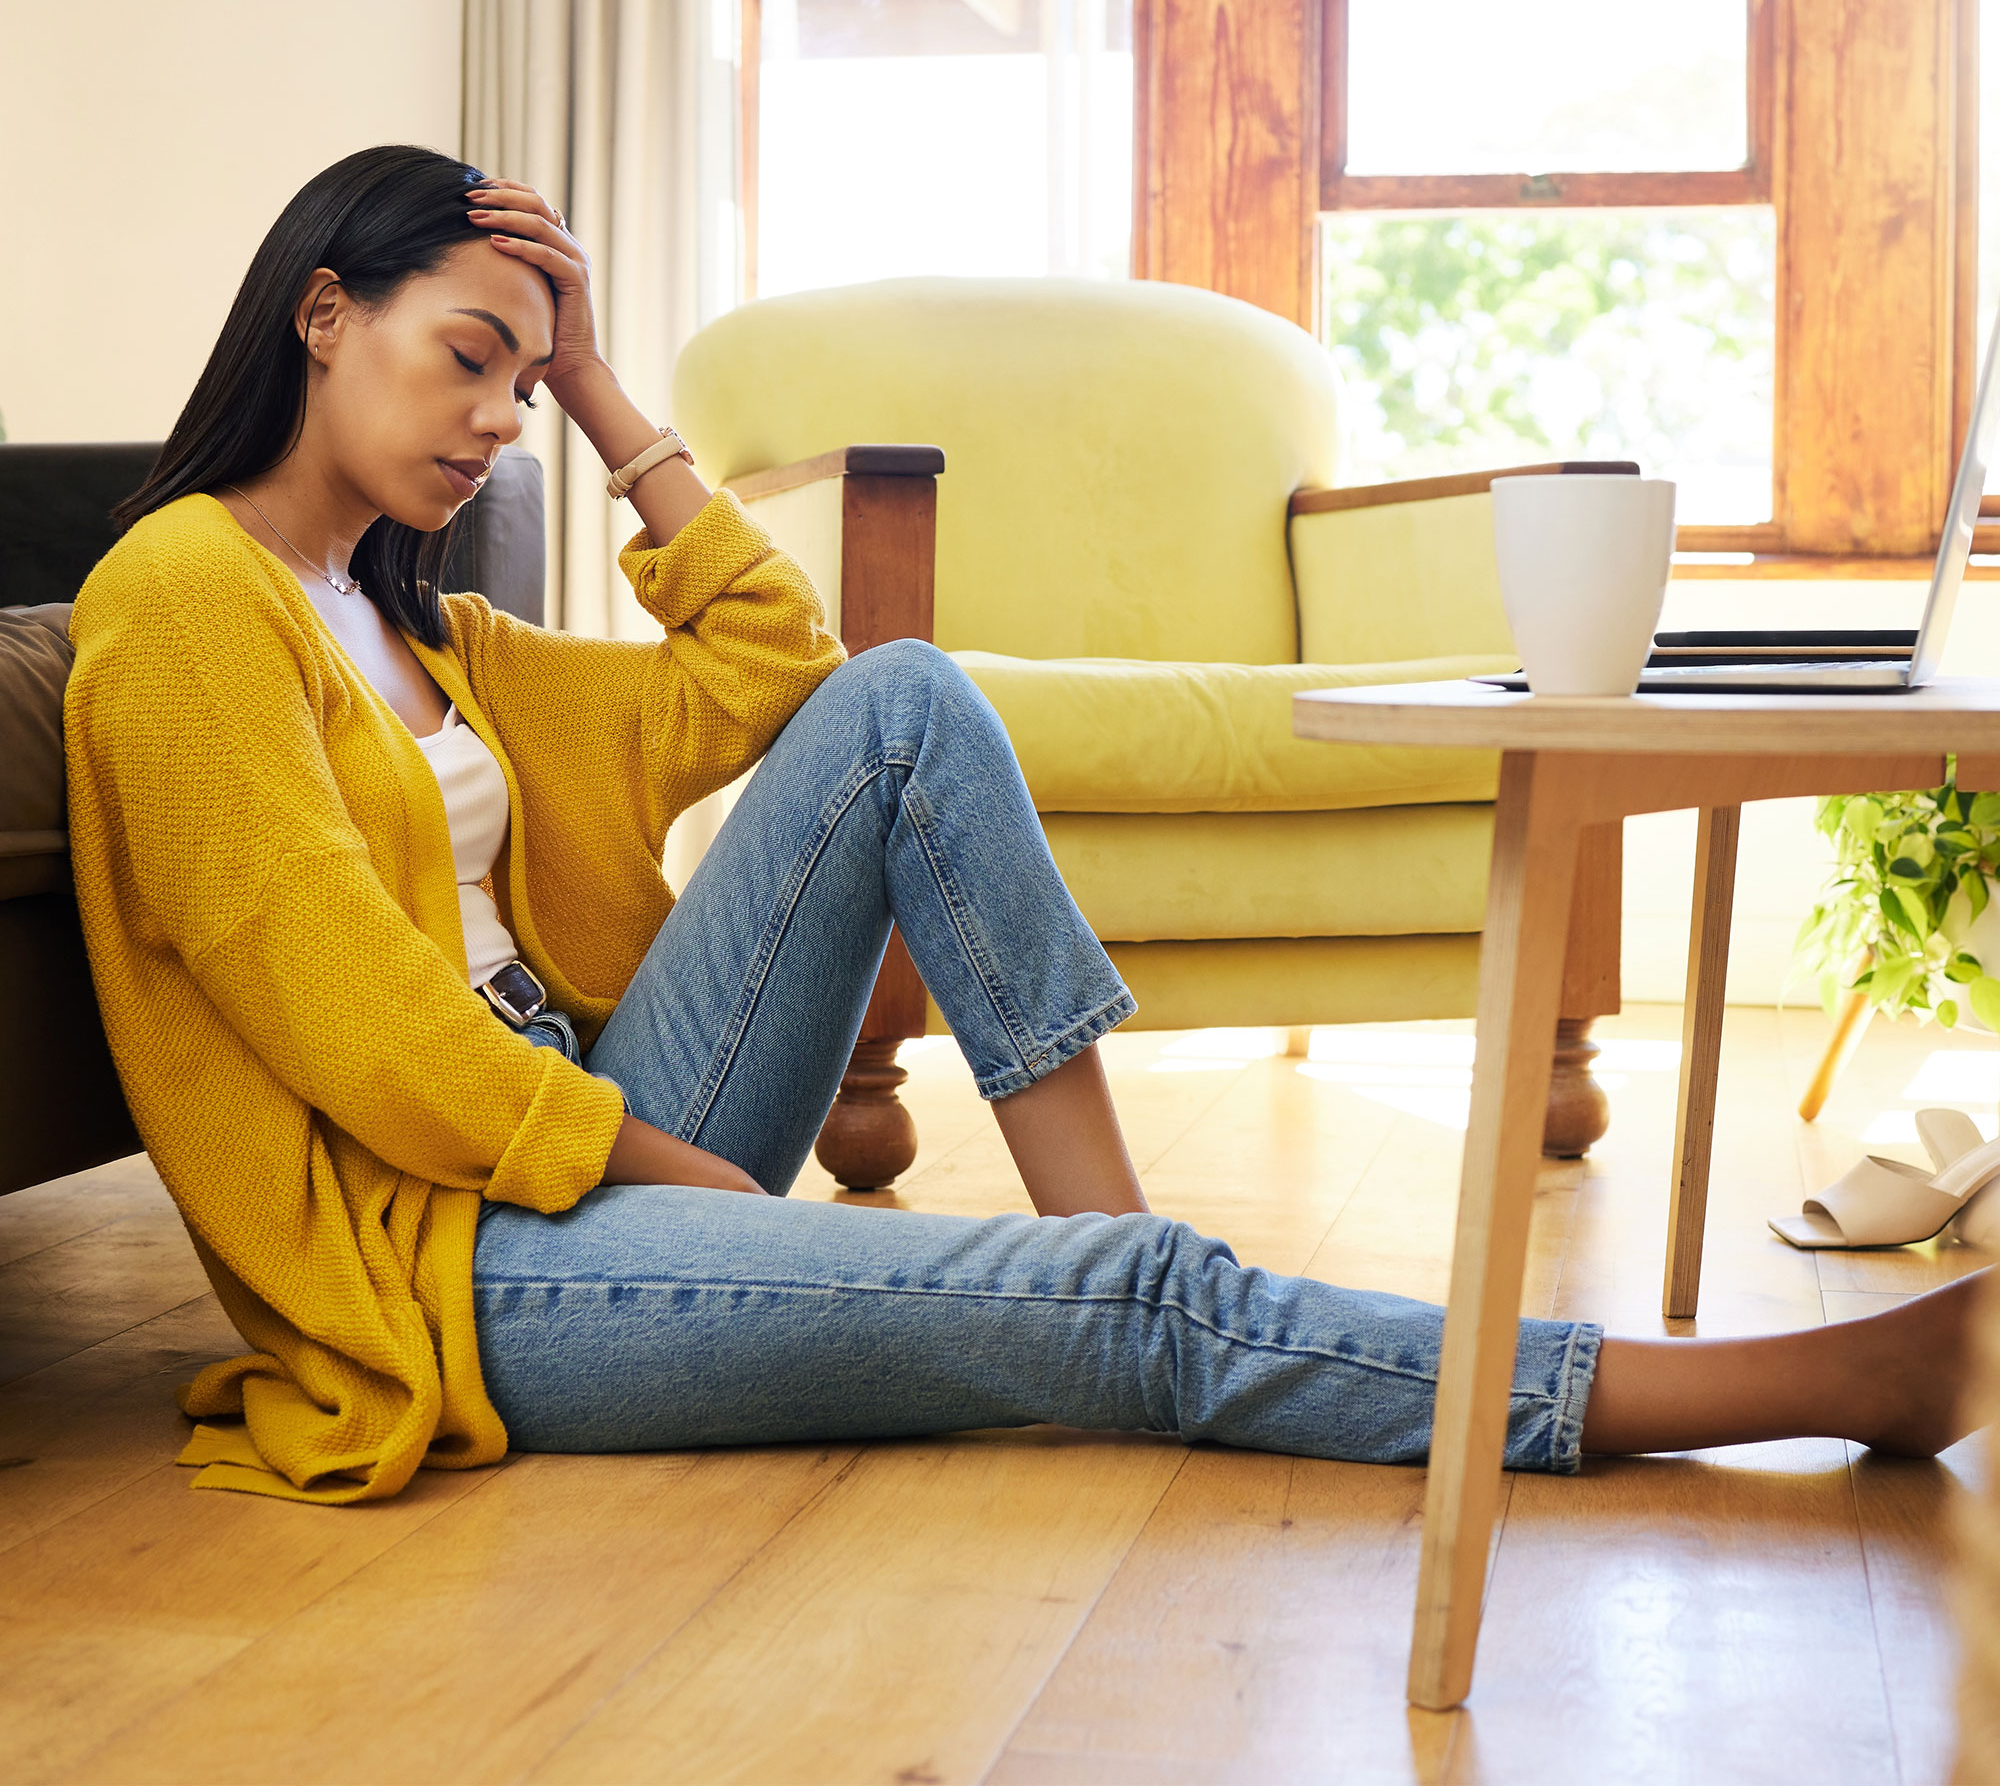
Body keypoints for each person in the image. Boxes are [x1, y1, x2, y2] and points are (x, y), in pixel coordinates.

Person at [63, 144, 1983, 1506]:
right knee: (1121, 1314)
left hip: (588, 1113)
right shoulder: (179, 602)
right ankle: (1770, 1388)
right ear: (326, 317)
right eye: (465, 356)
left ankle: (1121, 1253)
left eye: (517, 371)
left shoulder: (426, 630)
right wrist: (662, 1163)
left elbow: (784, 661)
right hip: (461, 1266)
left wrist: (596, 385)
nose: (493, 414)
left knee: (914, 697)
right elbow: (352, 1029)